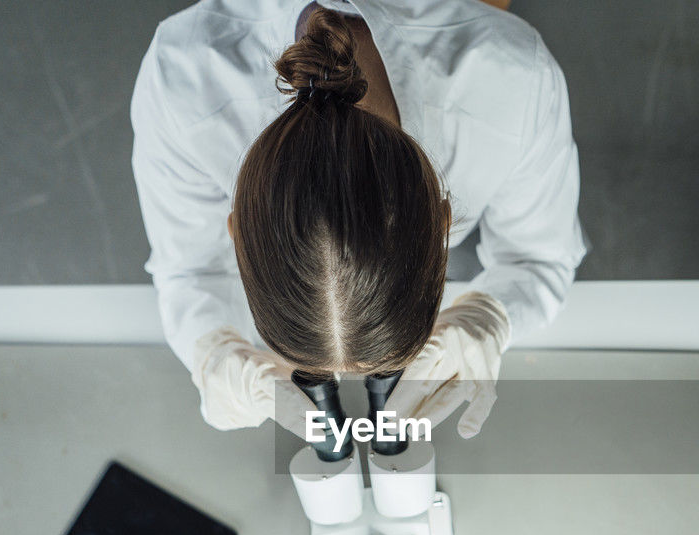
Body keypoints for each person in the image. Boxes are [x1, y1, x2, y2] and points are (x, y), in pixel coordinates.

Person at [131, 0, 584, 439]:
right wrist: (210, 347)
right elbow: (191, 267)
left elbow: (539, 256)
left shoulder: (519, 79)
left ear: (444, 218)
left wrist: (490, 315)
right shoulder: (178, 78)